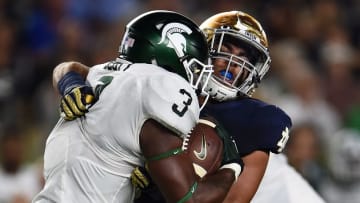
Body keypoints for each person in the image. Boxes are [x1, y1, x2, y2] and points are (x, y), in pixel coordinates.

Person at [33, 10, 243, 203]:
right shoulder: (163, 85)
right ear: (174, 55)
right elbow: (191, 200)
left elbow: (68, 68)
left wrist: (70, 85)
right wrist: (231, 167)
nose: (196, 79)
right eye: (195, 68)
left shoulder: (104, 74)